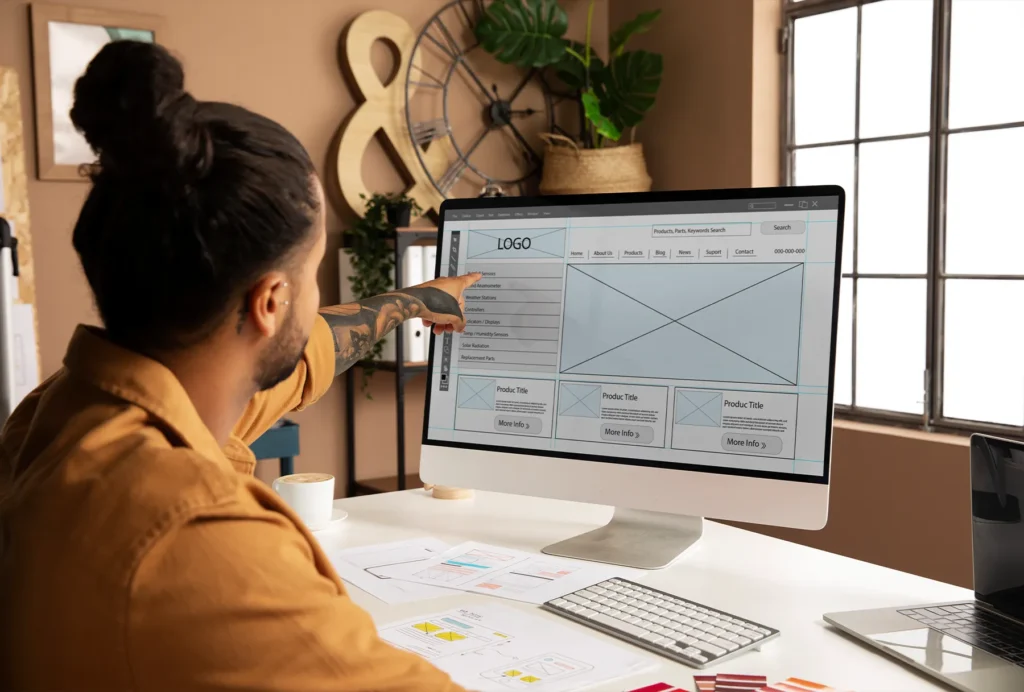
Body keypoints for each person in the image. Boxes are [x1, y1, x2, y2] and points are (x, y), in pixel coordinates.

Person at [0, 41, 480, 691]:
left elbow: (301, 359)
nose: (314, 300)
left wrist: (413, 301)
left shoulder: (64, 413)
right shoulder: (197, 532)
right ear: (271, 301)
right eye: (310, 274)